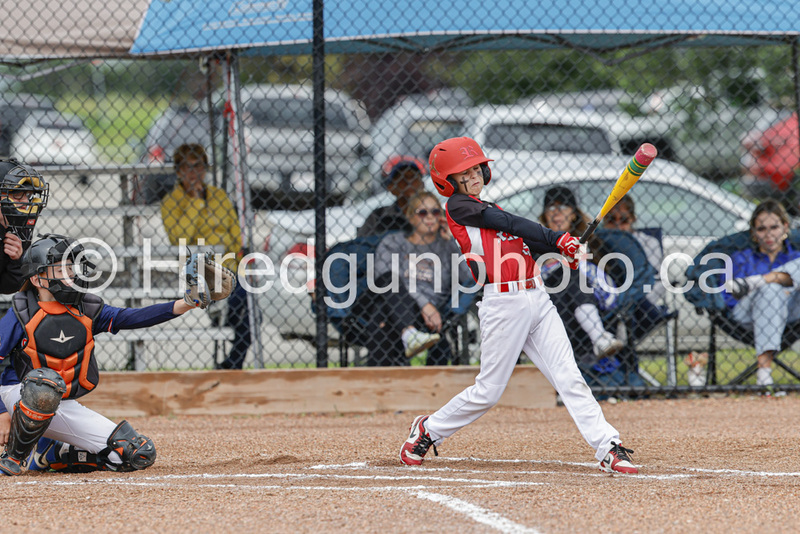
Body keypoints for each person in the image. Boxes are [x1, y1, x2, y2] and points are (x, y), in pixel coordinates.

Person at [399, 137, 638, 474]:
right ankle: (428, 429)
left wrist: (563, 249)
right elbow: (510, 223)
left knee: (569, 375)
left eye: (476, 169)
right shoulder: (459, 208)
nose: (473, 176)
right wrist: (557, 237)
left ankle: (608, 446)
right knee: (488, 392)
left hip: (537, 297)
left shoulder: (488, 208)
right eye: (464, 174)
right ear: (447, 182)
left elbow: (526, 240)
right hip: (503, 304)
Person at [0, 234, 232, 475]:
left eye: (70, 268)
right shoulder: (22, 311)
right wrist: (2, 413)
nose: (69, 275)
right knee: (43, 387)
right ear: (37, 279)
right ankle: (14, 457)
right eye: (60, 270)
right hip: (16, 395)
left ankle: (52, 454)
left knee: (135, 453)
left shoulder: (86, 308)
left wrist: (186, 303)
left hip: (60, 402)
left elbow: (133, 317)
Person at [160, 143, 250, 369]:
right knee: (240, 302)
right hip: (197, 266)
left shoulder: (219, 196)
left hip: (228, 264)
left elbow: (234, 234)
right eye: (187, 167)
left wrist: (234, 259)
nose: (193, 172)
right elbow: (179, 238)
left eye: (198, 166)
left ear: (205, 168)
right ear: (178, 171)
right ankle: (224, 315)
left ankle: (232, 363)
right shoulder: (171, 202)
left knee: (246, 305)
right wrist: (196, 202)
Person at [364, 191, 474, 366]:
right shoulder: (394, 242)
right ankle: (409, 334)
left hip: (427, 314)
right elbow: (384, 277)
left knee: (380, 317)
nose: (429, 217)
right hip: (400, 301)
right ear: (411, 218)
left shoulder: (447, 246)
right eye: (422, 212)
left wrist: (453, 240)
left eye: (435, 212)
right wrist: (425, 304)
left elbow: (470, 277)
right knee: (389, 283)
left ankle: (386, 373)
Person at [537, 186, 626, 387]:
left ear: (574, 214)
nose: (557, 213)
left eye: (563, 207)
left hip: (590, 305)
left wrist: (580, 262)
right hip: (551, 308)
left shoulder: (591, 242)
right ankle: (599, 338)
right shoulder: (537, 244)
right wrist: (555, 263)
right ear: (544, 215)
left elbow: (608, 286)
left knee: (573, 273)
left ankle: (599, 337)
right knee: (567, 271)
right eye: (551, 208)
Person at [722, 200, 800, 387]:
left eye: (774, 227)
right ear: (754, 233)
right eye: (761, 229)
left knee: (780, 282)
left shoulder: (795, 256)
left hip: (790, 311)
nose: (769, 234)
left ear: (785, 227)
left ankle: (757, 281)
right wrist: (771, 292)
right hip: (747, 314)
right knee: (770, 290)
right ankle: (764, 374)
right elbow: (729, 298)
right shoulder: (741, 258)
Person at [603, 197, 664, 305]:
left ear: (633, 219)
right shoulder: (598, 241)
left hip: (640, 300)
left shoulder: (648, 242)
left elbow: (655, 280)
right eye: (611, 220)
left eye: (623, 220)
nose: (617, 226)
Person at [357, 155, 427, 237]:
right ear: (391, 187)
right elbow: (360, 242)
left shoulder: (434, 213)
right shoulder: (378, 216)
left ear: (422, 185)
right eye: (402, 178)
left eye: (413, 177)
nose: (409, 182)